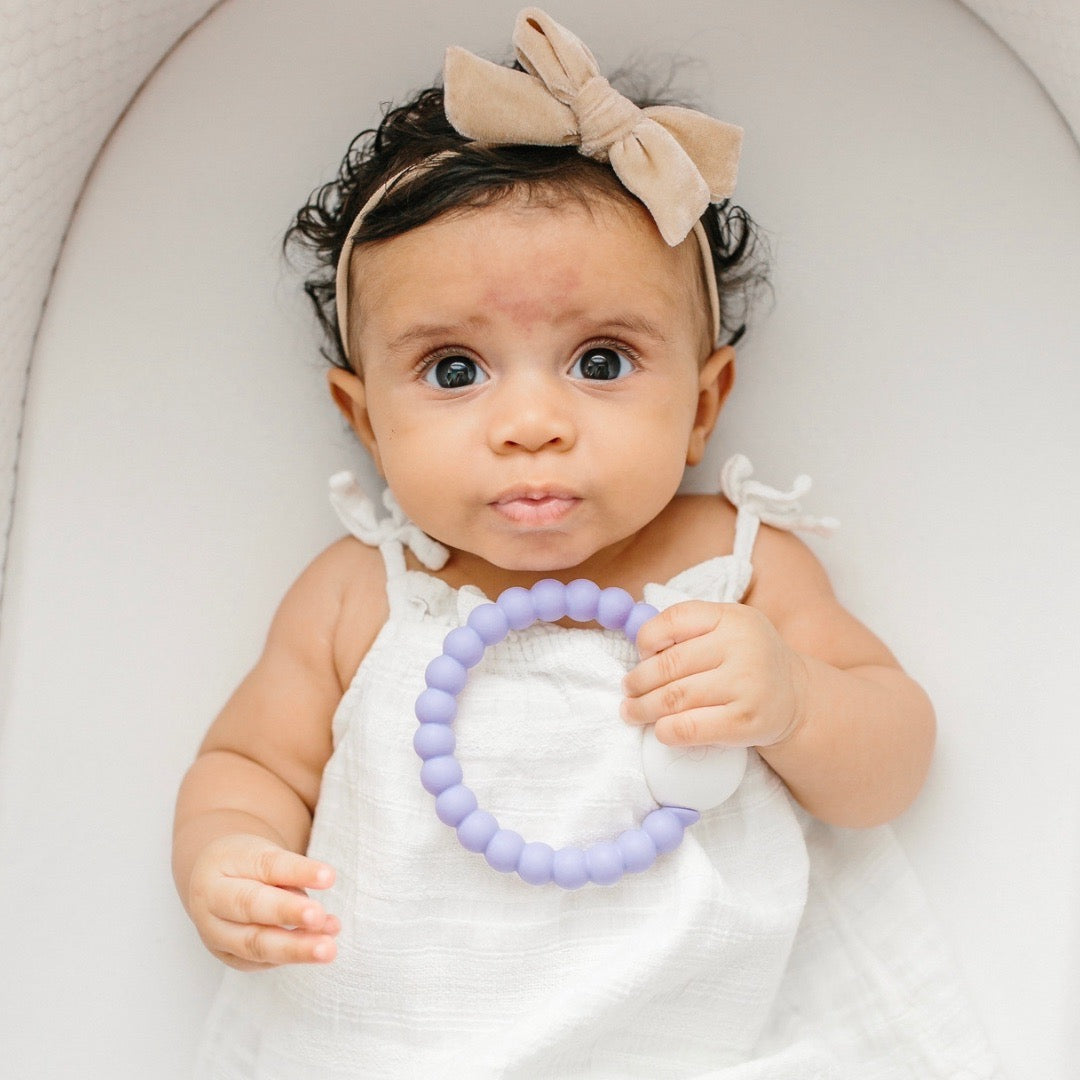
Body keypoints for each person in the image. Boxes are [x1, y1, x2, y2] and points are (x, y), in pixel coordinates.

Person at [173, 9, 1000, 1077]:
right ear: (366, 419)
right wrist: (226, 858)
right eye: (456, 371)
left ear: (705, 407)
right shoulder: (365, 593)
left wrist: (795, 697)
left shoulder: (739, 566)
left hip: (695, 1041)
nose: (530, 423)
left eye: (601, 362)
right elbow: (246, 762)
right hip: (409, 1042)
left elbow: (889, 769)